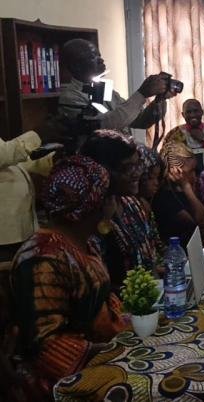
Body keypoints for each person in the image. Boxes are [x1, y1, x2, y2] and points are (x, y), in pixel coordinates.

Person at [11, 156, 127, 390]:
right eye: (109, 198)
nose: (114, 204)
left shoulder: (84, 243)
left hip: (103, 356)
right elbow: (46, 345)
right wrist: (116, 352)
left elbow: (103, 304)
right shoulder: (43, 258)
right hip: (64, 380)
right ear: (96, 205)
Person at [80, 130, 161, 291]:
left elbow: (149, 260)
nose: (137, 173)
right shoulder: (89, 217)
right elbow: (99, 280)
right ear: (103, 170)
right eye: (127, 168)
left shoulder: (132, 204)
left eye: (138, 164)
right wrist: (105, 222)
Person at [57, 38, 169, 135]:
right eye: (92, 57)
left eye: (99, 55)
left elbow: (140, 121)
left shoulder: (103, 89)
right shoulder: (70, 97)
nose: (101, 60)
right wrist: (142, 94)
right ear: (76, 66)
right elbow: (104, 126)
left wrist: (160, 99)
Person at [0, 125, 61, 261]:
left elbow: (15, 163)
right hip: (4, 238)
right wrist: (37, 134)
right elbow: (4, 154)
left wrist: (52, 160)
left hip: (18, 230)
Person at [154, 141, 204, 246]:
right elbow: (200, 223)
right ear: (175, 172)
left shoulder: (180, 191)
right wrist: (186, 186)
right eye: (191, 171)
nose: (194, 175)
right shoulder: (164, 198)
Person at [162, 99, 204, 174]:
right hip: (184, 178)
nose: (192, 115)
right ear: (183, 115)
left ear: (202, 112)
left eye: (196, 111)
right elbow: (167, 162)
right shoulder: (174, 134)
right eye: (188, 112)